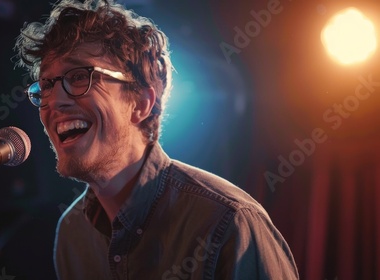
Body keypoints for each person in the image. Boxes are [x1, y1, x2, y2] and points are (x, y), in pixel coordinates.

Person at [15, 0, 299, 279]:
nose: (54, 101)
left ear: (140, 103)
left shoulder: (227, 222)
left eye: (79, 77)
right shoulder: (72, 233)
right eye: (47, 86)